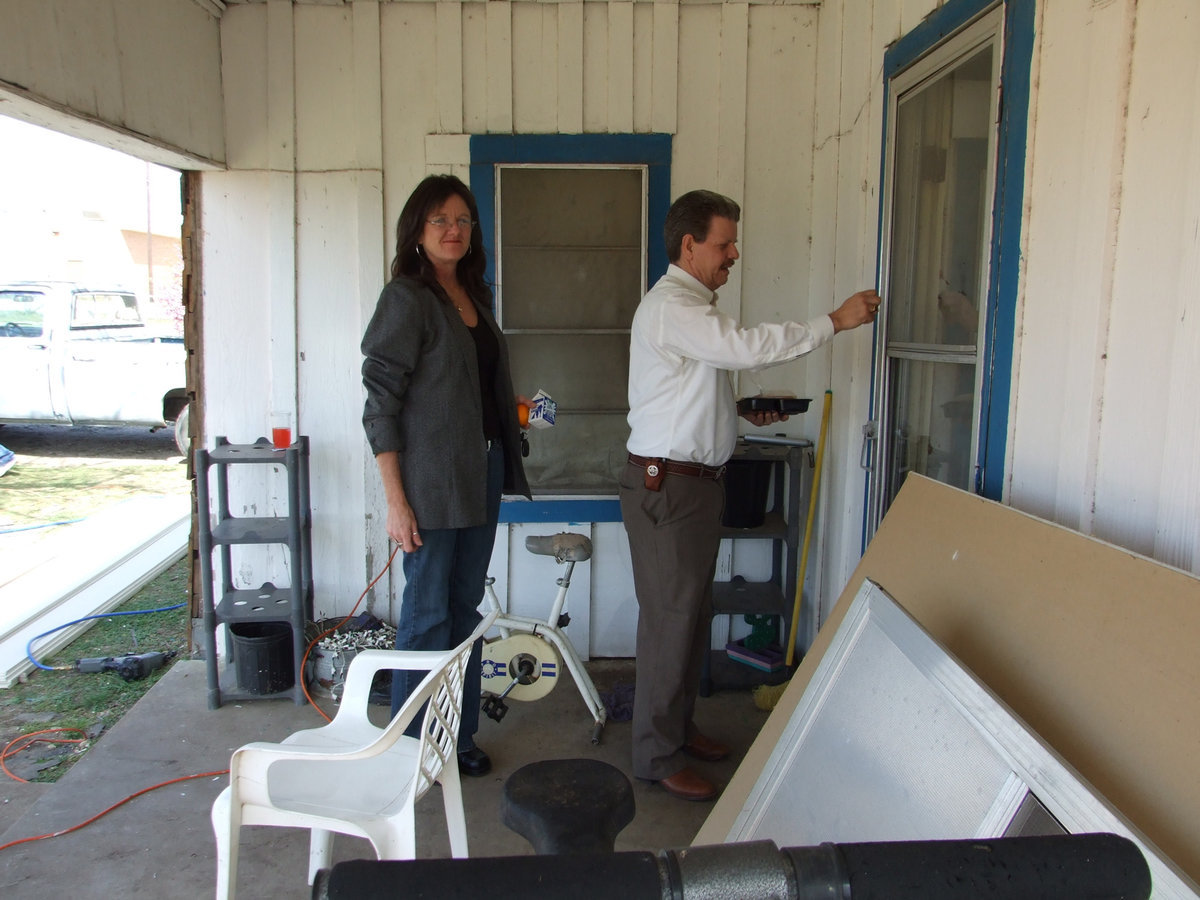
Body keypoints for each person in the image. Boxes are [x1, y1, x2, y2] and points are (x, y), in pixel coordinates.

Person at [619, 189, 880, 801]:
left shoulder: (688, 310)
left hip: (688, 487)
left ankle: (677, 731)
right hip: (670, 491)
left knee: (688, 617)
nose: (734, 254)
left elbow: (680, 397)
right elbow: (745, 348)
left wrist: (734, 413)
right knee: (670, 623)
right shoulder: (674, 307)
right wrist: (834, 321)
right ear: (689, 245)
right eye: (724, 243)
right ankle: (655, 756)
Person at [361, 174, 531, 777]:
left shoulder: (474, 297)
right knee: (428, 611)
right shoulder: (408, 298)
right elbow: (380, 402)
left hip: (479, 470)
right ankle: (412, 743)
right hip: (430, 483)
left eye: (462, 219)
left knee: (464, 609)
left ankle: (456, 736)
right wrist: (396, 501)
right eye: (440, 220)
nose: (453, 230)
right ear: (418, 230)